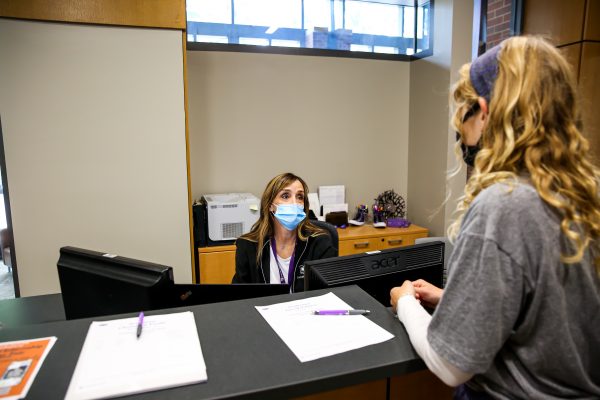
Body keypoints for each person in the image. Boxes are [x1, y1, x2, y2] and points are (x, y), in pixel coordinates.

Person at [390, 36, 600, 399]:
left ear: (485, 113)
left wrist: (405, 303)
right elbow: (551, 313)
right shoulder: (585, 196)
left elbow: (449, 363)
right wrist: (455, 300)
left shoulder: (503, 206)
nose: (462, 136)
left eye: (464, 118)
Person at [232, 172, 336, 292]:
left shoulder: (319, 243)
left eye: (300, 197)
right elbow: (238, 297)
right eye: (285, 196)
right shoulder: (248, 246)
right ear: (271, 205)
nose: (294, 203)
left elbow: (329, 293)